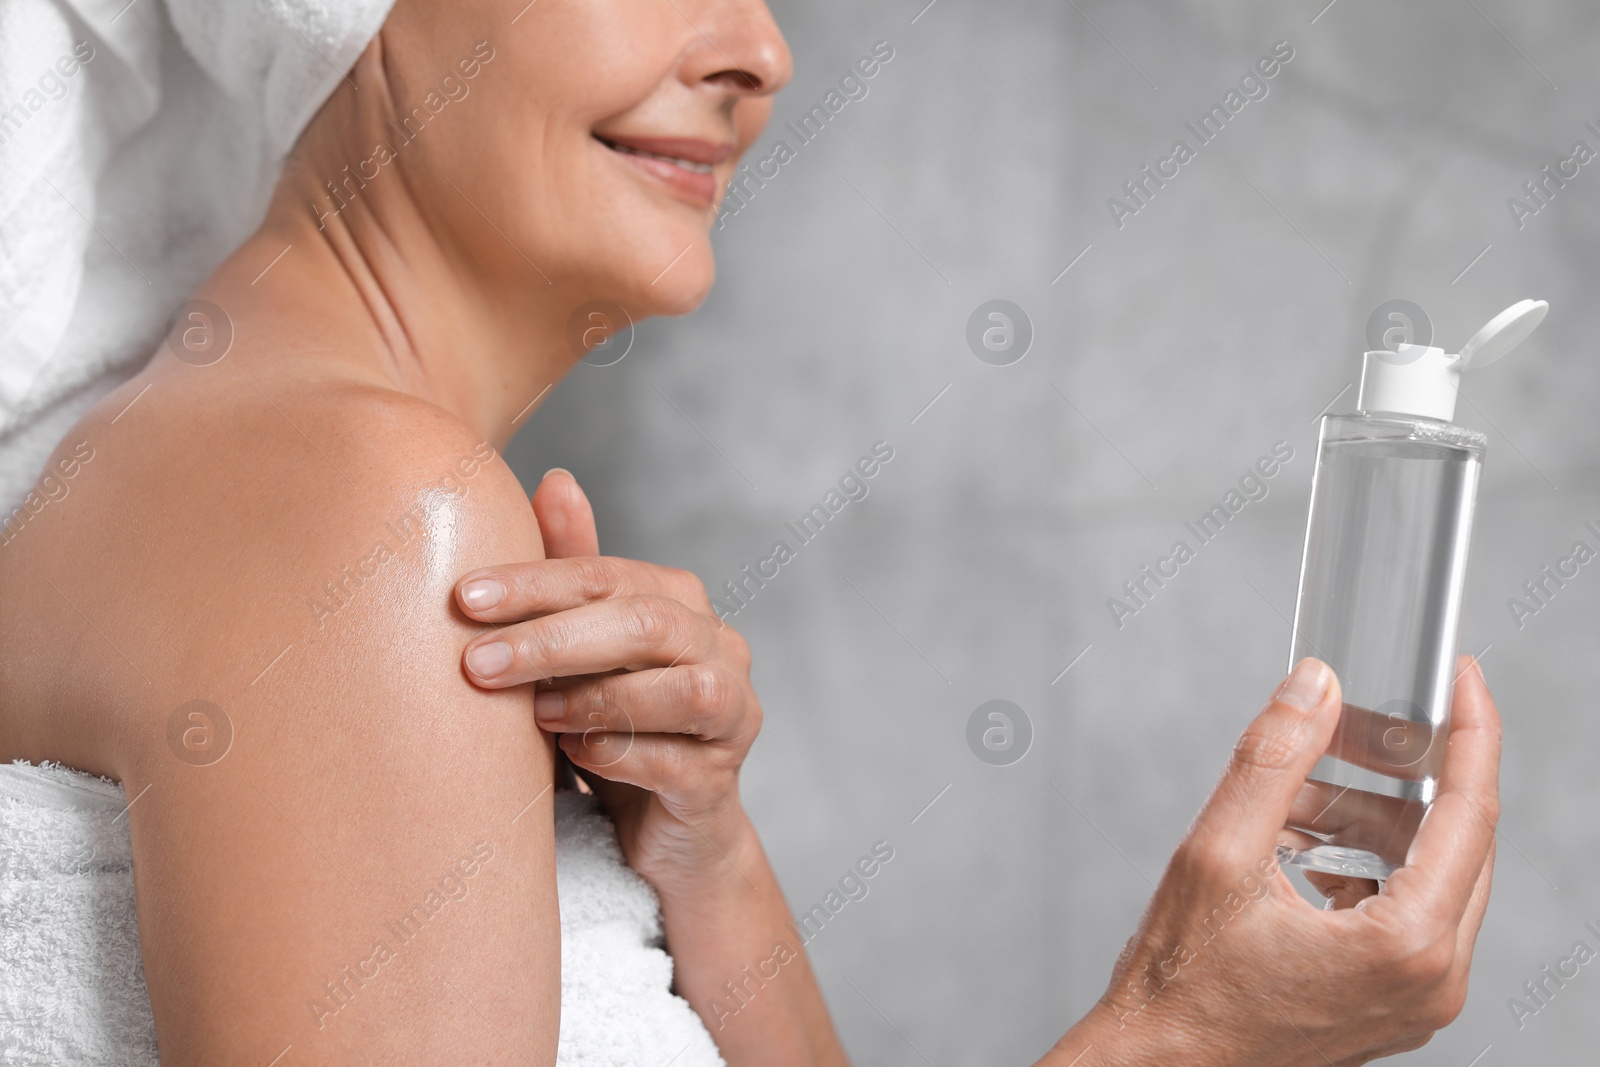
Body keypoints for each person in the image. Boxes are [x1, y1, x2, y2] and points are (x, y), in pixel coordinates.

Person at [0, 0, 1499, 1062]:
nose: (759, 52)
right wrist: (1183, 1037)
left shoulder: (296, 485)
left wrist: (700, 860)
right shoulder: (355, 515)